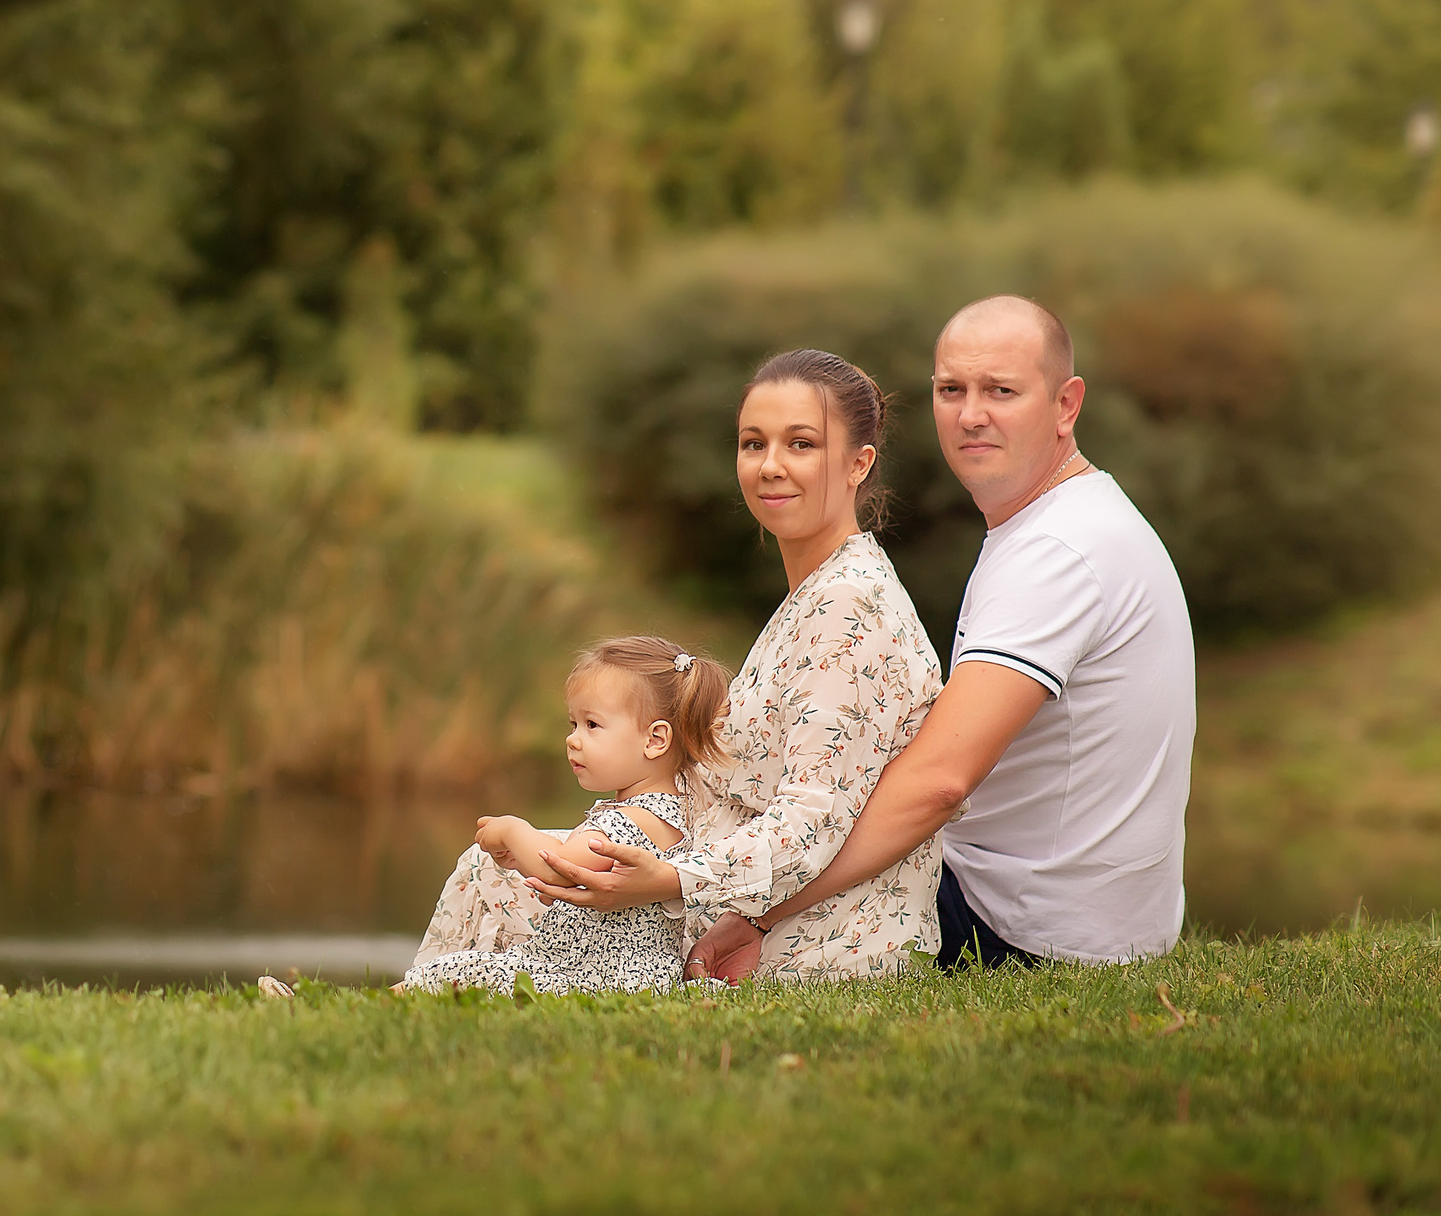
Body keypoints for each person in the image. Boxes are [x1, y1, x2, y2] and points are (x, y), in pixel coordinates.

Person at [675, 296, 1195, 979]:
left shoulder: (1059, 551)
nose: (970, 414)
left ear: (1067, 405)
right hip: (1069, 910)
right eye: (951, 389)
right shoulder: (1062, 522)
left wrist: (762, 911)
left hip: (1022, 926)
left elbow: (939, 783)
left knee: (669, 919)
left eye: (1001, 391)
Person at [485, 349, 949, 980]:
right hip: (729, 903)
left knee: (503, 880)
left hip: (811, 937)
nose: (771, 466)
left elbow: (813, 816)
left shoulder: (850, 604)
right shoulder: (814, 594)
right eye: (753, 443)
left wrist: (674, 878)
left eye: (802, 444)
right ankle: (405, 1012)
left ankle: (404, 1019)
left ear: (858, 464)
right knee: (504, 865)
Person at [401, 636, 727, 996]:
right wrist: (518, 856)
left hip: (592, 975)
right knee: (467, 971)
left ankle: (382, 1004)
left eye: (592, 725)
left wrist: (512, 829)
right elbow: (572, 872)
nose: (573, 739)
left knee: (454, 972)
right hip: (603, 968)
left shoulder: (635, 819)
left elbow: (557, 867)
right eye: (573, 724)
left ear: (654, 741)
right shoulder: (666, 811)